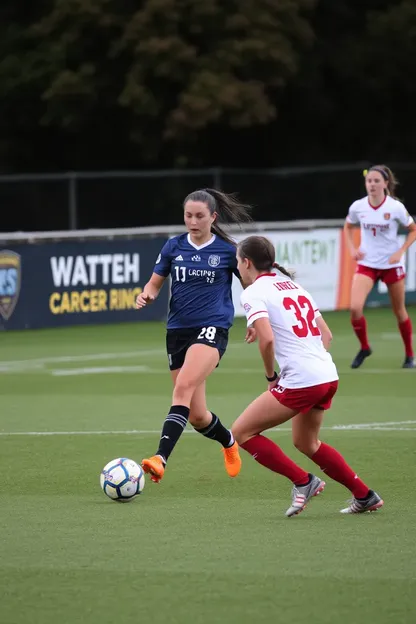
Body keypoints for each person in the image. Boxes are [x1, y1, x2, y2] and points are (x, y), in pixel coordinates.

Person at [231, 235, 383, 517]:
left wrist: (271, 377)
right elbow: (327, 335)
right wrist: (311, 365)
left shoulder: (252, 292)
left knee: (241, 432)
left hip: (303, 380)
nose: (237, 268)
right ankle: (365, 495)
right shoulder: (295, 287)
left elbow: (266, 340)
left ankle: (304, 481)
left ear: (247, 262)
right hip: (327, 375)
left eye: (238, 262)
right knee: (306, 442)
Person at [135, 188, 253, 483]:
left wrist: (255, 317)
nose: (193, 221)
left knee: (183, 387)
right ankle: (228, 441)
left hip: (213, 328)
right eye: (188, 215)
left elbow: (253, 287)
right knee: (197, 415)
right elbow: (154, 284)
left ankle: (160, 458)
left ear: (213, 217)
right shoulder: (173, 246)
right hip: (177, 331)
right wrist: (146, 295)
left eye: (200, 216)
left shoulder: (228, 251)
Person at [344, 165, 416, 369]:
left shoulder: (395, 208)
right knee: (355, 308)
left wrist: (400, 251)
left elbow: (413, 230)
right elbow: (348, 225)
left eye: (377, 181)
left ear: (385, 184)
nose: (372, 185)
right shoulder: (358, 206)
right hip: (367, 263)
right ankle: (365, 347)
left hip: (391, 265)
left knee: (399, 310)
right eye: (369, 181)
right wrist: (352, 248)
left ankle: (409, 356)